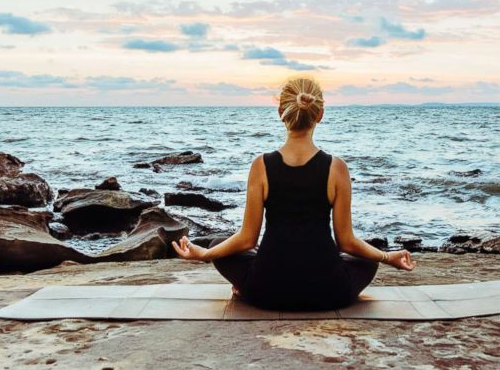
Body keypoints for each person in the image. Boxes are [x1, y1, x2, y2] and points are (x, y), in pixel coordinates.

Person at [172, 76, 416, 311]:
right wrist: (387, 256)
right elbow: (346, 242)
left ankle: (244, 287)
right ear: (320, 114)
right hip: (329, 292)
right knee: (368, 258)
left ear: (281, 112)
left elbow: (247, 238)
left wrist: (204, 254)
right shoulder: (337, 168)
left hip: (266, 291)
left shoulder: (261, 165)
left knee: (219, 245)